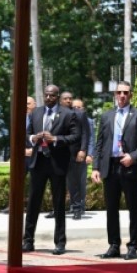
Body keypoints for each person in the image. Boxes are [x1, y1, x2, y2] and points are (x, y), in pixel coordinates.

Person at [92, 82, 137, 260]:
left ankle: (133, 246)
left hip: (130, 168)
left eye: (125, 92)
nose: (122, 96)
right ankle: (113, 245)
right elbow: (99, 144)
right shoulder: (106, 116)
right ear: (114, 94)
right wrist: (96, 167)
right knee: (111, 209)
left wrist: (133, 156)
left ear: (131, 95)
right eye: (119, 92)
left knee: (133, 208)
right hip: (110, 167)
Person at [22, 85, 81, 255]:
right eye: (46, 95)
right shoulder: (36, 113)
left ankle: (60, 243)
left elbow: (75, 136)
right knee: (33, 203)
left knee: (59, 204)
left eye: (52, 96)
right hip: (38, 162)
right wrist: (34, 137)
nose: (48, 98)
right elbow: (27, 135)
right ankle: (28, 240)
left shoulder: (68, 114)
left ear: (57, 96)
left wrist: (55, 138)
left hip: (57, 164)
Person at [59, 92, 91, 220]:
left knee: (74, 182)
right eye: (65, 99)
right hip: (59, 153)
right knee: (58, 182)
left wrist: (83, 150)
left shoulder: (79, 114)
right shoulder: (56, 114)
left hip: (74, 153)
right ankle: (57, 209)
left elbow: (85, 134)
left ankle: (77, 208)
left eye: (70, 99)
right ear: (60, 101)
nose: (68, 101)